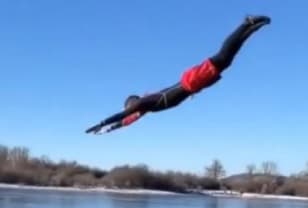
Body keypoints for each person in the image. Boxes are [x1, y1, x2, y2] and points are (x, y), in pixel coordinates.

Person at [85, 15, 271, 135]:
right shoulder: (145, 108)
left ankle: (246, 24)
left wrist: (102, 123)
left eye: (130, 105)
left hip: (192, 82)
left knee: (223, 57)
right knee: (227, 59)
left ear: (132, 103)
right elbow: (127, 121)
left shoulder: (144, 103)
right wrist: (107, 130)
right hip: (193, 83)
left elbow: (123, 115)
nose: (131, 109)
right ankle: (251, 29)